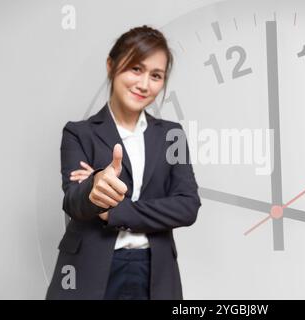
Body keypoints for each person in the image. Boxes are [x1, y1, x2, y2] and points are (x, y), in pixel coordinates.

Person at [46, 25, 201, 300]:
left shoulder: (171, 135)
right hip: (88, 268)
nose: (144, 84)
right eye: (135, 69)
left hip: (154, 269)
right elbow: (73, 201)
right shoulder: (78, 132)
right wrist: (94, 188)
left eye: (156, 75)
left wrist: (114, 212)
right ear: (111, 65)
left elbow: (187, 206)